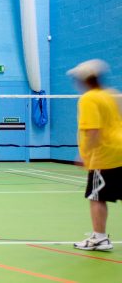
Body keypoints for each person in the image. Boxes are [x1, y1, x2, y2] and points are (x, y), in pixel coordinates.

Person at [67, 59, 122, 251]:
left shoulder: (89, 98)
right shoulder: (111, 94)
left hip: (104, 154)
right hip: (119, 150)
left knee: (97, 196)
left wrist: (84, 155)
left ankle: (99, 238)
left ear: (84, 80)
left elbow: (93, 130)